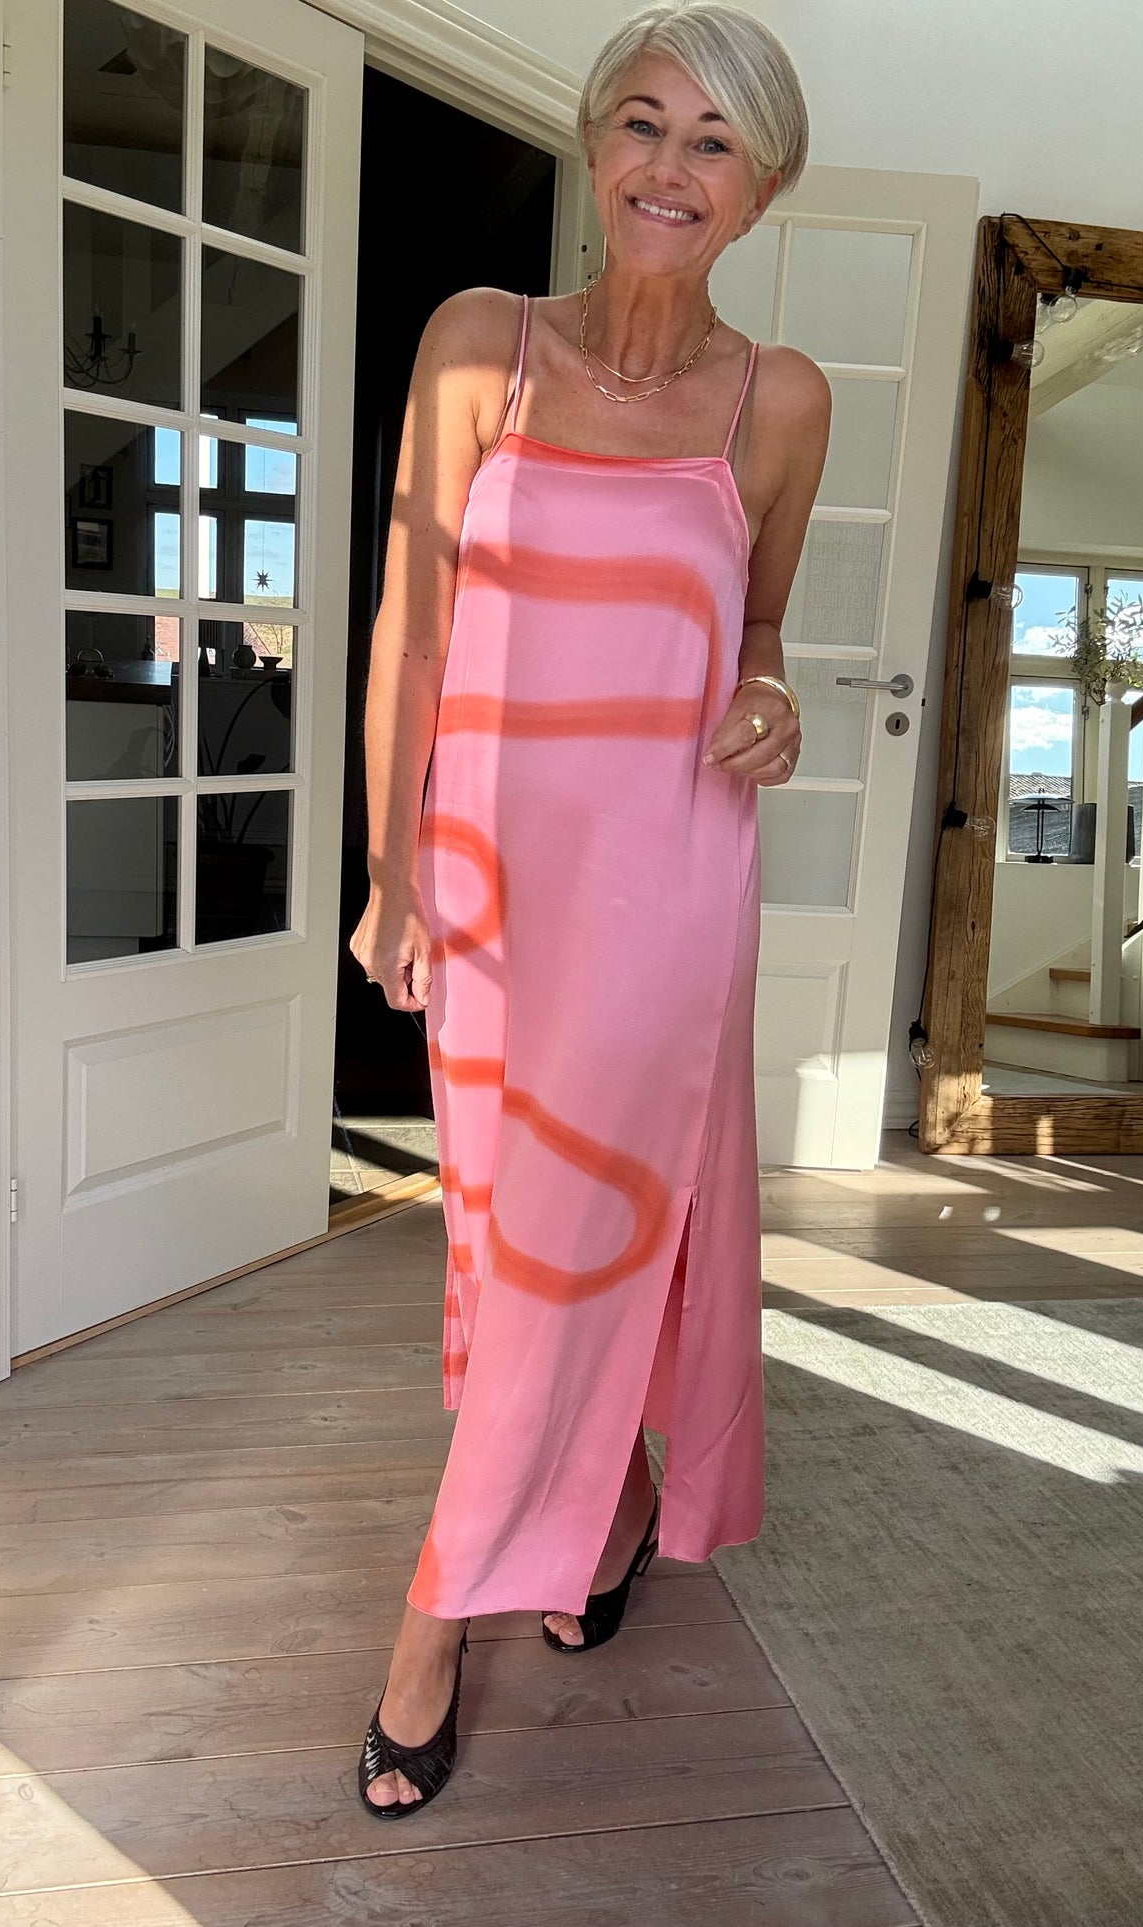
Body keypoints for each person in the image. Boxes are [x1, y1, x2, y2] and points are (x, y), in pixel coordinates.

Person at [349, 0, 830, 1816]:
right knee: (504, 1238)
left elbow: (758, 625)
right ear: (590, 140)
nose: (669, 166)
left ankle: (433, 1616)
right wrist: (391, 866)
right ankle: (605, 1499)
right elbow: (412, 622)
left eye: (715, 141)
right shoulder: (483, 345)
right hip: (489, 875)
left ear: (760, 186)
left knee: (567, 1239)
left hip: (664, 885)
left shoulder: (780, 401)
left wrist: (767, 694)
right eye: (643, 121)